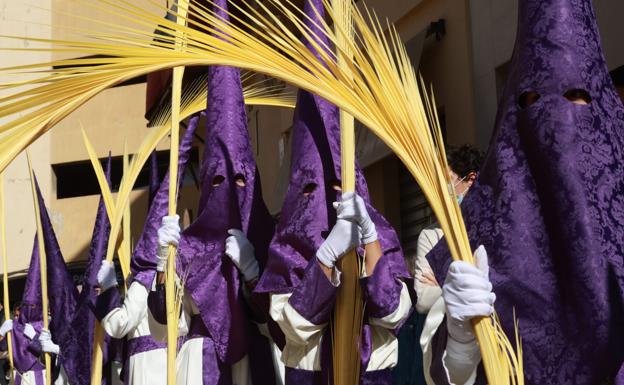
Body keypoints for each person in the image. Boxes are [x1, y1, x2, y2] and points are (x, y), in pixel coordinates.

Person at [420, 0, 624, 384]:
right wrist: (461, 346)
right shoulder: (478, 232)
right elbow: (446, 373)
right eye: (532, 101)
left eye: (573, 96)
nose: (553, 116)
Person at [253, 2, 412, 384]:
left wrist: (370, 243)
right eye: (313, 190)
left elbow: (393, 314)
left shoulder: (382, 237)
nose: (328, 200)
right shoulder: (286, 251)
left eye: (339, 188)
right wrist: (325, 257)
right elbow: (293, 326)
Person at [148, 7, 283, 379]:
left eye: (239, 182)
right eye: (218, 183)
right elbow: (164, 328)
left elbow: (286, 321)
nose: (229, 193)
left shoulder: (269, 240)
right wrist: (163, 265)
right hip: (201, 364)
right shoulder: (187, 250)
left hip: (257, 364)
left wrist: (255, 273)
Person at [93, 113, 199, 385]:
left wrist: (107, 291)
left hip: (148, 371)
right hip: (182, 364)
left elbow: (119, 326)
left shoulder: (142, 283)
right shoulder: (185, 277)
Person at [413, 145, 484, 315]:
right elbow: (422, 300)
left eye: (447, 179)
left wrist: (443, 284)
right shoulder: (431, 235)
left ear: (470, 180)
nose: (439, 189)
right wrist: (467, 286)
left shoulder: (491, 226)